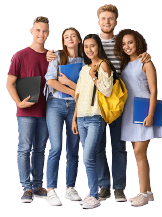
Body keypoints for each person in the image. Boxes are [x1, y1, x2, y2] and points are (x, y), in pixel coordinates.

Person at [45, 4, 151, 202]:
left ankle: (119, 187)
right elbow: (77, 56)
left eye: (110, 19)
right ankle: (104, 186)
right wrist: (51, 54)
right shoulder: (91, 41)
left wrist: (145, 55)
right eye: (103, 18)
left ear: (116, 22)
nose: (107, 22)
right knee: (98, 147)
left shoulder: (120, 42)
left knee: (119, 146)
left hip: (118, 101)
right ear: (98, 21)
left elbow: (134, 51)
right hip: (95, 104)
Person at [114, 28, 162, 207]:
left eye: (130, 42)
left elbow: (154, 91)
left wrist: (151, 114)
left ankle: (142, 194)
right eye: (124, 44)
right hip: (129, 110)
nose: (127, 46)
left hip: (144, 109)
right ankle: (148, 192)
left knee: (139, 152)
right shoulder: (124, 64)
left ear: (137, 42)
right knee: (138, 154)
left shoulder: (147, 63)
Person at [72, 34, 123, 209]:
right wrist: (74, 119)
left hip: (95, 118)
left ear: (98, 46)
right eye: (86, 46)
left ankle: (95, 196)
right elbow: (77, 96)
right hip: (81, 118)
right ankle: (95, 190)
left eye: (92, 46)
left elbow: (107, 91)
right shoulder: (83, 68)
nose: (89, 49)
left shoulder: (103, 65)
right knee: (92, 156)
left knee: (88, 157)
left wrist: (94, 75)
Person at [6, 16, 50, 203]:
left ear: (48, 33)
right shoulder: (20, 55)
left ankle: (38, 186)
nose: (41, 34)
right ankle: (26, 188)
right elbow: (9, 83)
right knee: (25, 149)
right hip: (25, 112)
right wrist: (19, 103)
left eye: (45, 30)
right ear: (31, 31)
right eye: (38, 30)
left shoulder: (51, 56)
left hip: (47, 111)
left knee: (40, 149)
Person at [45, 27, 83, 206]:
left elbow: (87, 89)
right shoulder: (57, 57)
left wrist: (70, 86)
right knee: (56, 147)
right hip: (55, 105)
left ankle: (70, 187)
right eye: (66, 37)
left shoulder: (85, 60)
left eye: (73, 36)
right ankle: (51, 189)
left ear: (79, 40)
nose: (70, 39)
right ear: (63, 40)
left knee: (73, 148)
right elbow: (51, 81)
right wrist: (74, 89)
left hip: (76, 106)